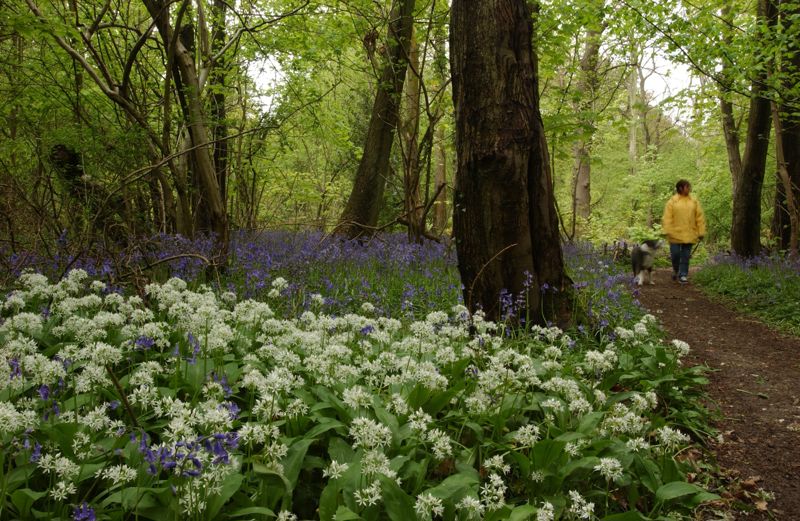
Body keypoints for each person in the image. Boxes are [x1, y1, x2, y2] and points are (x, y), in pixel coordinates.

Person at [662, 179, 706, 284]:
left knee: (686, 256)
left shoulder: (694, 202)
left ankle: (683, 275)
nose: (689, 188)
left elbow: (699, 218)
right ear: (680, 188)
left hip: (689, 234)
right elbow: (667, 218)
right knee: (676, 255)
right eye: (687, 186)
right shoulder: (672, 201)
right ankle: (676, 269)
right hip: (675, 235)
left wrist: (701, 232)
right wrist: (667, 230)